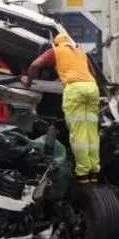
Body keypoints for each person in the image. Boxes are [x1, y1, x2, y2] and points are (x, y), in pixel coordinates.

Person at [22, 33, 100, 182]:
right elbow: (93, 73)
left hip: (75, 90)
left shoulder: (55, 51)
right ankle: (94, 172)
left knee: (78, 132)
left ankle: (83, 174)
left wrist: (28, 81)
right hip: (92, 88)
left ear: (55, 43)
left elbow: (34, 65)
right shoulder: (81, 52)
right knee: (91, 132)